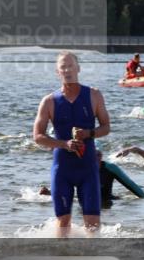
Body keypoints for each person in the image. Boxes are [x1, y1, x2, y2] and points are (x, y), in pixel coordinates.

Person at [32, 51, 111, 235]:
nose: (67, 70)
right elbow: (37, 136)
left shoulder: (94, 95)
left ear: (78, 68)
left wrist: (89, 133)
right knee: (63, 223)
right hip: (62, 170)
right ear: (57, 72)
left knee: (93, 225)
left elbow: (106, 127)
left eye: (70, 66)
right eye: (63, 67)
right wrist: (64, 144)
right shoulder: (49, 101)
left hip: (88, 169)